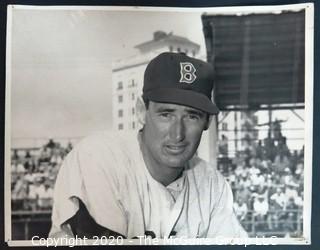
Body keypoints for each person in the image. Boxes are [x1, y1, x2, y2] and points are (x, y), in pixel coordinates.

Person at [49, 52, 246, 239]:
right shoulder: (98, 157)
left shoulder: (211, 183)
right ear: (142, 111)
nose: (178, 133)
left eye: (192, 116)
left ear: (207, 122)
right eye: (166, 114)